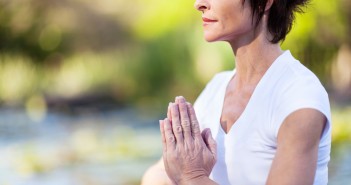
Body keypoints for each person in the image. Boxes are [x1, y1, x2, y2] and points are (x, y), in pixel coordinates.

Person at [142, 0, 331, 184]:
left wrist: (193, 177)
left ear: (264, 3)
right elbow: (155, 175)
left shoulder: (298, 95)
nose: (199, 3)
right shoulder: (216, 87)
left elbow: (184, 175)